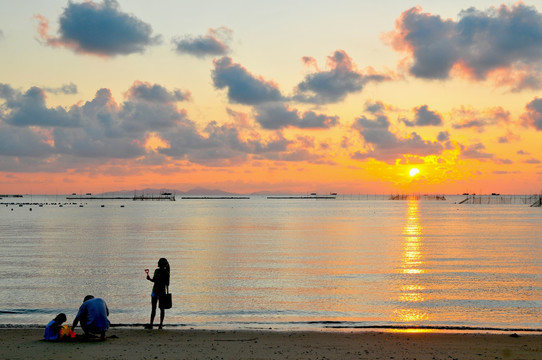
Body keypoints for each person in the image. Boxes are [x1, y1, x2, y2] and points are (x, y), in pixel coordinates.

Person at [145, 258, 170, 329]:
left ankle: (151, 324)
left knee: (154, 308)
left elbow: (154, 280)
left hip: (156, 291)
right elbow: (167, 283)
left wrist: (149, 279)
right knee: (161, 309)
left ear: (160, 264)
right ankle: (160, 325)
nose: (157, 263)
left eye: (158, 262)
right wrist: (150, 279)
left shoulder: (158, 271)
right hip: (162, 292)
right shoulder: (166, 272)